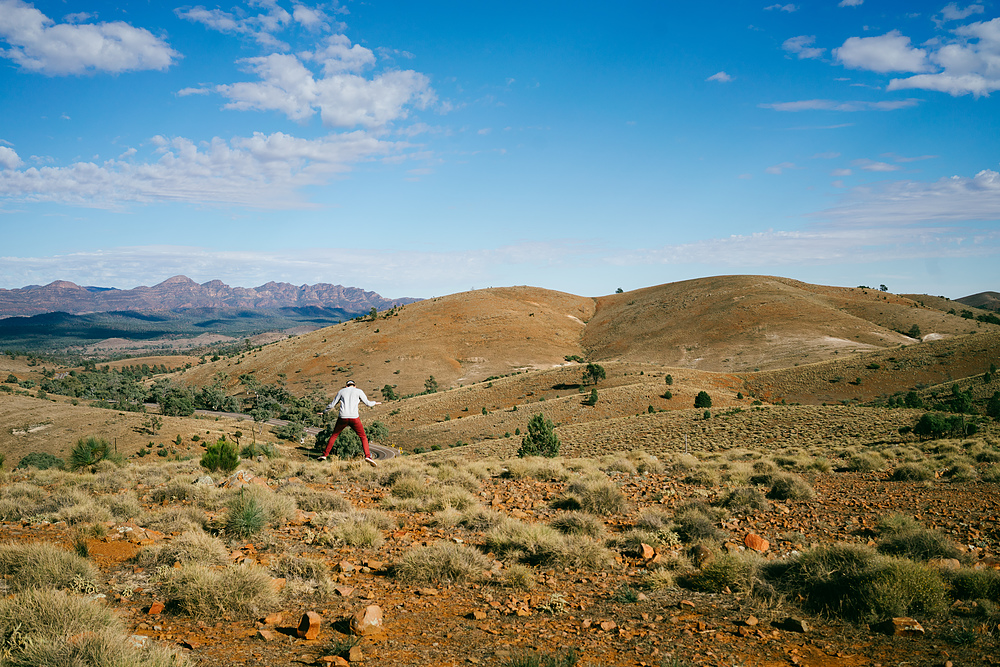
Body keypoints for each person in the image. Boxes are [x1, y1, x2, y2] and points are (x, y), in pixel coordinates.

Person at [318, 380, 381, 466]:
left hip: (342, 417)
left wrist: (324, 412)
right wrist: (375, 403)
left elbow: (332, 405)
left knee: (334, 435)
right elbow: (368, 403)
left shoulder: (341, 391)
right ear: (354, 386)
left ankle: (325, 455)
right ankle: (368, 456)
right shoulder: (359, 391)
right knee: (363, 437)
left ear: (346, 386)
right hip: (354, 418)